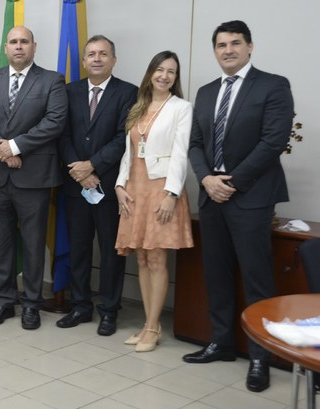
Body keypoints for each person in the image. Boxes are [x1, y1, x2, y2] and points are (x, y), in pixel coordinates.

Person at [184, 20, 293, 393]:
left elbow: (273, 141)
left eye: (235, 43)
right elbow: (195, 142)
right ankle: (221, 342)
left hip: (251, 197)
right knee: (216, 272)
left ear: (249, 47)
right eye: (220, 45)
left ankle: (262, 356)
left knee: (257, 278)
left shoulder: (273, 85)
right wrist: (206, 179)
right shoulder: (206, 90)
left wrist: (231, 182)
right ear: (214, 51)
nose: (227, 50)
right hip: (211, 194)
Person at [0, 26, 67, 330]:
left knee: (33, 243)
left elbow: (55, 121)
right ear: (6, 47)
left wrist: (15, 146)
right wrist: (2, 149)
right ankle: (3, 301)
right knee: (0, 243)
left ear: (34, 47)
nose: (19, 47)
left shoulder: (51, 80)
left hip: (33, 176)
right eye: (13, 42)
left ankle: (32, 304)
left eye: (24, 42)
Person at [57, 35, 137, 336]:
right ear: (84, 60)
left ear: (113, 60)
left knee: (109, 251)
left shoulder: (128, 93)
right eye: (91, 54)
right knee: (78, 248)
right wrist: (79, 171)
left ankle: (109, 310)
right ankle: (80, 306)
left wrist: (93, 166)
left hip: (109, 184)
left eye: (103, 54)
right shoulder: (69, 91)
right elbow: (61, 135)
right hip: (75, 185)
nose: (97, 59)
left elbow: (123, 137)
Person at [114, 51, 194, 352]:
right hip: (134, 190)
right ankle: (152, 324)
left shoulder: (181, 108)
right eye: (159, 70)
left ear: (176, 77)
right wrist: (120, 185)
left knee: (158, 259)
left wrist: (172, 194)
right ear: (150, 73)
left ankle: (151, 327)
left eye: (171, 72)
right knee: (143, 258)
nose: (164, 76)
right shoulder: (139, 107)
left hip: (161, 190)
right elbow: (130, 151)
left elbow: (180, 153)